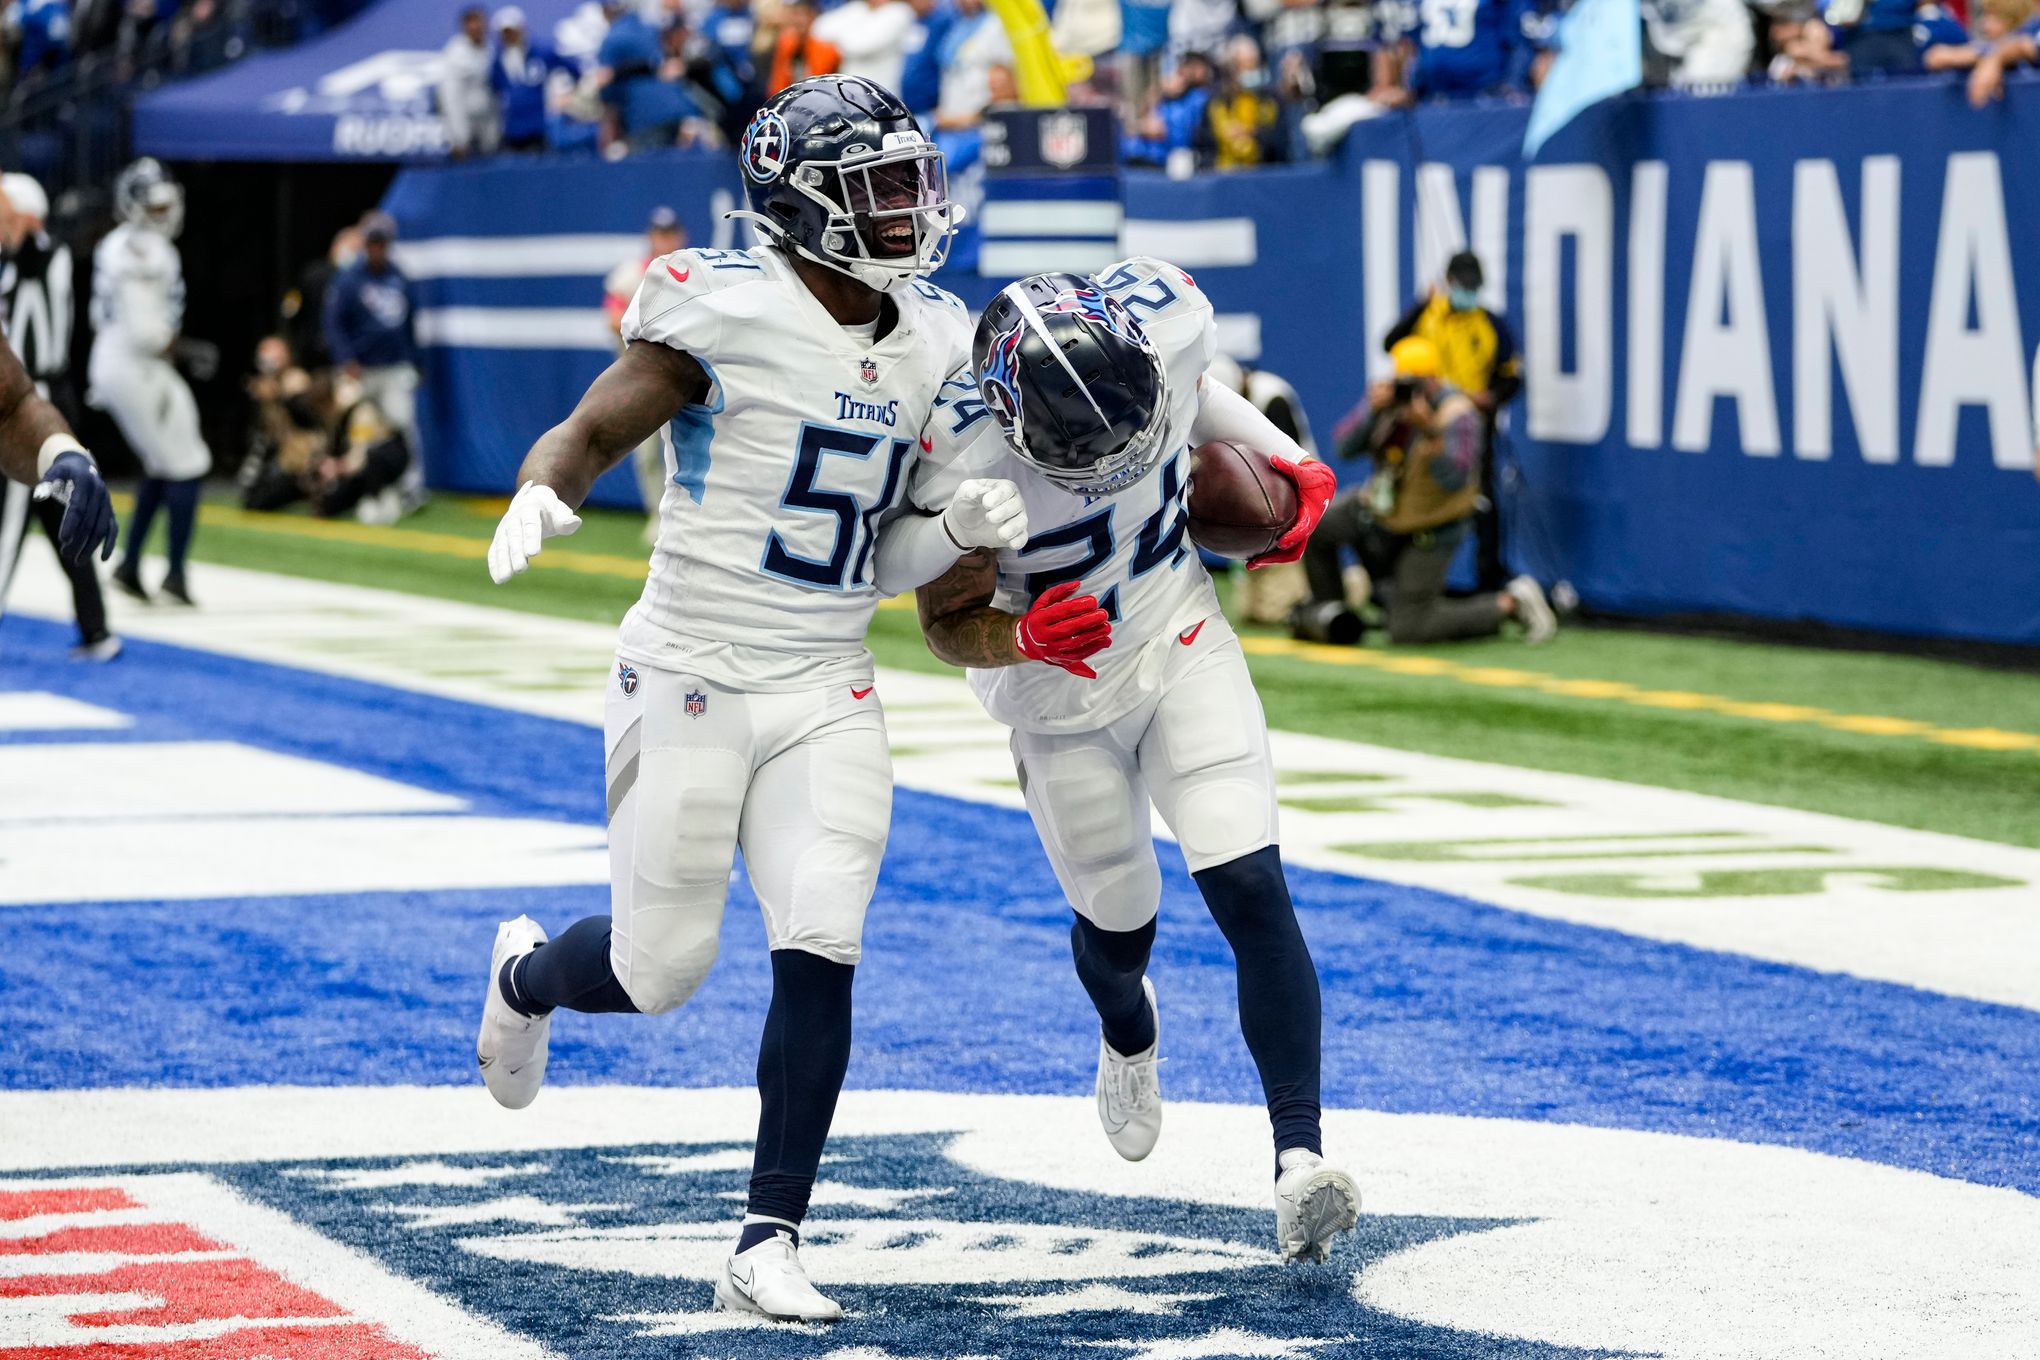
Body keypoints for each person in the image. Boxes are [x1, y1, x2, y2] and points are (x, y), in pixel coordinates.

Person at [474, 75, 1022, 1324]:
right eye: (881, 189)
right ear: (804, 206)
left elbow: (897, 562)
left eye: (912, 180)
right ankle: (524, 983)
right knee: (658, 968)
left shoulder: (937, 336)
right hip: (690, 673)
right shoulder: (719, 304)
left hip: (827, 674)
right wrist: (546, 480)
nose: (912, 208)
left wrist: (957, 529)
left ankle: (768, 1235)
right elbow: (596, 425)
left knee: (821, 934)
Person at [899, 262, 1364, 1265]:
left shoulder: (1166, 318)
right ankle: (1126, 1031)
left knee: (1252, 885)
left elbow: (1195, 394)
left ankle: (1299, 1162)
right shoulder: (954, 446)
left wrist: (1286, 465)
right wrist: (1018, 638)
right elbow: (943, 624)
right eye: (1083, 445)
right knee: (1121, 927)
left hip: (1179, 636)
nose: (1114, 455)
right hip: (1058, 701)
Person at [1304, 336, 1556, 645]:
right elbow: (1343, 448)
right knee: (1318, 526)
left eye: (1416, 382)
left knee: (1408, 628)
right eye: (1403, 381)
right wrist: (1371, 409)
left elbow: (1454, 479)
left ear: (1434, 378)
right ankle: (1334, 615)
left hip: (1432, 526)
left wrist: (1429, 430)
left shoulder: (1458, 415)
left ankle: (1508, 604)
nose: (1410, 389)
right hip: (1385, 508)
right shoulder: (1392, 405)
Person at [0, 173, 116, 659]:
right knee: (62, 522)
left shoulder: (42, 254)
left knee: (15, 521)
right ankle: (96, 629)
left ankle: (97, 628)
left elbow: (15, 402)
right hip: (34, 396)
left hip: (33, 396)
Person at [91, 158, 210, 607]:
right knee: (185, 461)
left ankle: (132, 566)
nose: (165, 216)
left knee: (169, 461)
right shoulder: (141, 249)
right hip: (133, 363)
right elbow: (146, 331)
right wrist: (184, 347)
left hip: (135, 363)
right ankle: (173, 573)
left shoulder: (130, 244)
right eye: (155, 209)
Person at [1383, 249, 1521, 591]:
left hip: (1469, 425)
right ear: (1449, 283)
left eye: (1475, 287)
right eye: (1463, 286)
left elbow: (1512, 377)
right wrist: (1418, 305)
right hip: (1420, 422)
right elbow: (1390, 343)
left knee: (1480, 499)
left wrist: (1490, 398)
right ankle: (1402, 581)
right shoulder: (1428, 314)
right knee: (1406, 495)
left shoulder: (1490, 324)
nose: (1468, 294)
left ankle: (1488, 580)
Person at [323, 212, 422, 512]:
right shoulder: (350, 279)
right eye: (373, 242)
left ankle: (409, 487)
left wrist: (416, 360)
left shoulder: (399, 276)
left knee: (403, 425)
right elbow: (334, 323)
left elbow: (409, 322)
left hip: (393, 366)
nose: (377, 247)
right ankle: (340, 484)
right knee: (349, 428)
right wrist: (346, 358)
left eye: (382, 242)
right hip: (361, 368)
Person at [603, 205, 688, 538]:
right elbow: (612, 318)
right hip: (640, 379)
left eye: (670, 233)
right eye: (660, 233)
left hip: (686, 376)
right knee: (649, 453)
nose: (666, 240)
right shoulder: (631, 275)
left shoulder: (696, 272)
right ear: (651, 236)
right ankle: (658, 515)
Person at [491, 6, 578, 151]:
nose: (509, 36)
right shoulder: (498, 59)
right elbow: (495, 87)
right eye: (505, 33)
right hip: (511, 129)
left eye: (512, 31)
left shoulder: (541, 52)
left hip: (539, 126)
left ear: (522, 28)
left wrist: (572, 95)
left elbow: (572, 68)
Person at [441, 5, 502, 157]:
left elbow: (491, 92)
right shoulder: (456, 53)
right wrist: (460, 137)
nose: (477, 28)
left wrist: (495, 132)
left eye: (480, 23)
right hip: (466, 128)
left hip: (487, 126)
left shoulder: (490, 48)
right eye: (472, 24)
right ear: (464, 26)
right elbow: (450, 97)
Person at [1966, 1, 2040, 99]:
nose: (1984, 24)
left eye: (1994, 17)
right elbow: (1978, 50)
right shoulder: (2031, 27)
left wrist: (1996, 59)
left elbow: (2026, 45)